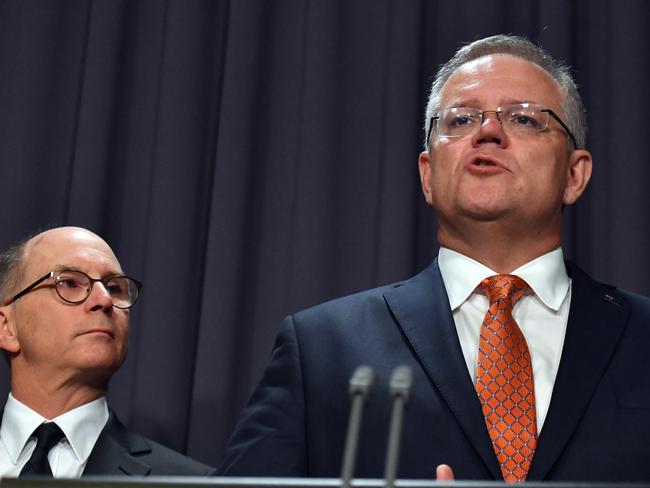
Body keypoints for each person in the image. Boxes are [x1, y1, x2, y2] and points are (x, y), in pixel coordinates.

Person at [218, 34, 650, 482]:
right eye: (461, 119)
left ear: (574, 175)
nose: (487, 131)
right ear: (428, 174)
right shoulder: (322, 348)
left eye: (523, 118)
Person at [0, 226, 214, 477]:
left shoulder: (190, 482)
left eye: (114, 288)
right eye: (69, 283)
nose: (104, 300)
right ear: (7, 327)